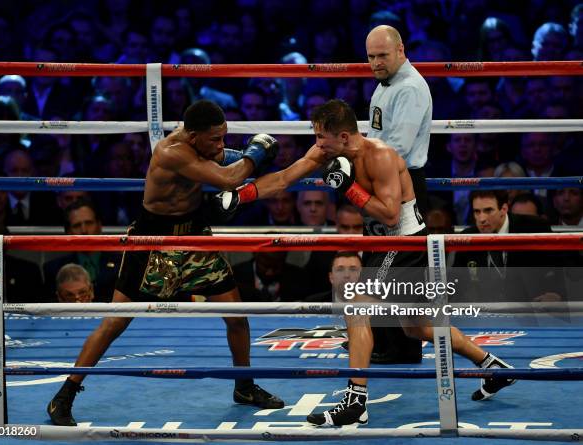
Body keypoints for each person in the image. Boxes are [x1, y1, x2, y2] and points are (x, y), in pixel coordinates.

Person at [216, 99, 515, 426]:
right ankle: (492, 367)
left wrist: (349, 188)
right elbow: (285, 178)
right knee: (416, 325)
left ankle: (355, 401)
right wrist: (242, 194)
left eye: (322, 138)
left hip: (402, 240)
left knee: (356, 306)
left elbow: (389, 213)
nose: (317, 145)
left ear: (344, 137)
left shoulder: (381, 157)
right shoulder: (328, 152)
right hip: (380, 244)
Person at [46, 99, 284, 427]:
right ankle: (65, 394)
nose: (220, 144)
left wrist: (252, 156)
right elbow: (229, 179)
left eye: (223, 136)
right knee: (115, 323)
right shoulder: (171, 151)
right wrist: (257, 151)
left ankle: (244, 385)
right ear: (193, 135)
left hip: (195, 235)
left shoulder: (203, 145)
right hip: (154, 241)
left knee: (237, 317)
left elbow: (225, 161)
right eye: (214, 138)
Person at [365, 24, 433, 365]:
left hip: (402, 183)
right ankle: (383, 343)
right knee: (375, 260)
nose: (376, 62)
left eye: (382, 55)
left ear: (401, 50)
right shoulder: (385, 86)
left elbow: (399, 150)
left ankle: (401, 348)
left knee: (394, 268)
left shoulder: (409, 89)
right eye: (371, 56)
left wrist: (361, 168)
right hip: (382, 179)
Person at [43, 198, 121, 302]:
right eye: (77, 225)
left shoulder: (122, 264)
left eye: (89, 223)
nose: (84, 230)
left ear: (99, 226)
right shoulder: (53, 269)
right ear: (68, 232)